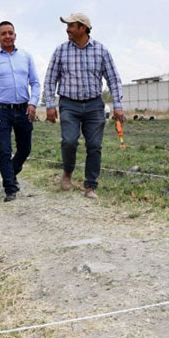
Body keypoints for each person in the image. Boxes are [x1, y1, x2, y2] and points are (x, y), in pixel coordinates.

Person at [44, 13, 125, 199]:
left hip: (94, 105)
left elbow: (113, 78)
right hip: (69, 104)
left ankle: (90, 185)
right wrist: (50, 105)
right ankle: (68, 172)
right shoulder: (61, 51)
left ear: (82, 28)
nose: (67, 29)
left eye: (71, 25)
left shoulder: (101, 50)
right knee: (69, 141)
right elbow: (50, 79)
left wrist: (118, 106)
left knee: (95, 145)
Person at [0, 21, 40, 202]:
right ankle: (10, 188)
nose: (7, 36)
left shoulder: (26, 57)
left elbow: (35, 83)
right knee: (4, 151)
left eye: (10, 33)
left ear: (15, 35)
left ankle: (11, 172)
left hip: (23, 109)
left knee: (25, 149)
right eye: (3, 33)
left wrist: (33, 103)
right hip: (1, 111)